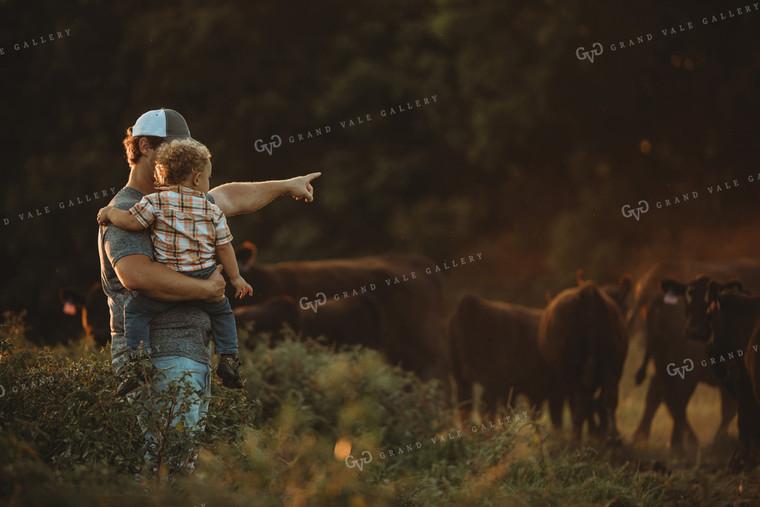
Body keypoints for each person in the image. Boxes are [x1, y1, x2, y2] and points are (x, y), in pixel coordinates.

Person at [98, 107, 320, 472]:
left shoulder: (184, 201)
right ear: (144, 148)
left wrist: (285, 186)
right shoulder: (127, 208)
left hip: (190, 355)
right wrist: (208, 291)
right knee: (165, 469)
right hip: (158, 357)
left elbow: (231, 197)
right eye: (171, 150)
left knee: (178, 466)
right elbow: (136, 275)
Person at [97, 138, 253, 396]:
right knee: (223, 313)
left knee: (136, 311)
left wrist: (109, 214)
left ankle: (138, 362)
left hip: (170, 276)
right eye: (208, 179)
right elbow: (224, 247)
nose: (208, 184)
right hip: (202, 274)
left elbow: (131, 222)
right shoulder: (212, 210)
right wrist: (236, 278)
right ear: (196, 178)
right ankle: (228, 359)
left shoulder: (154, 203)